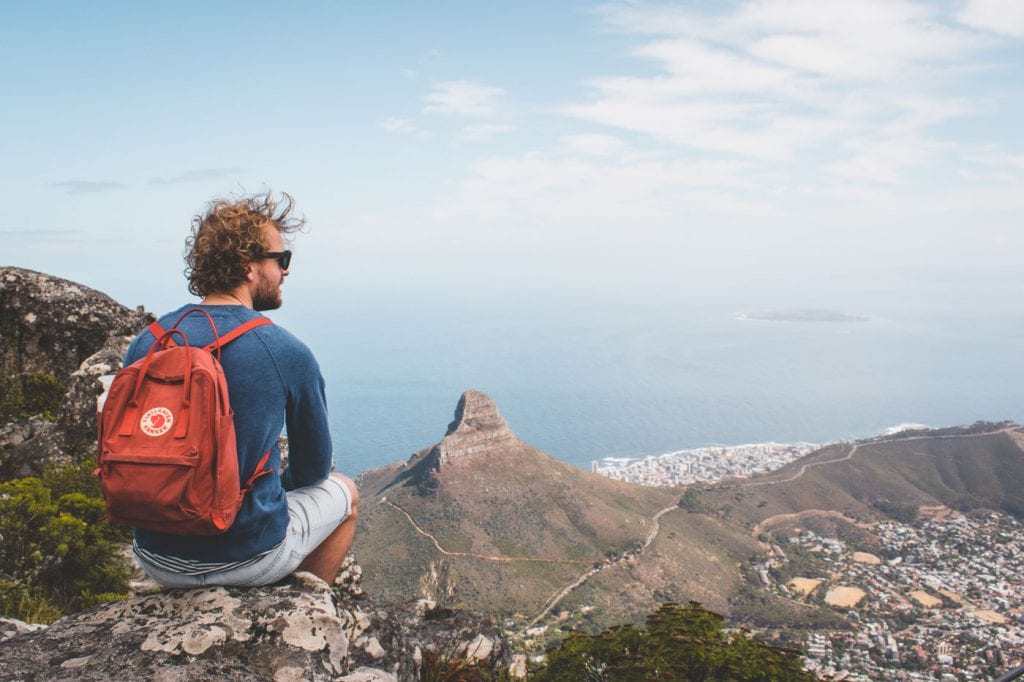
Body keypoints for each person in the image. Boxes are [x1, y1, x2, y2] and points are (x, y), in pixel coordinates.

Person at [124, 191, 358, 587]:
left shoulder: (150, 340)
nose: (286, 271)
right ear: (249, 266)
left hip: (155, 555)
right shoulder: (284, 350)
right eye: (281, 260)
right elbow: (313, 469)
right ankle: (307, 611)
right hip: (246, 556)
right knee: (346, 493)